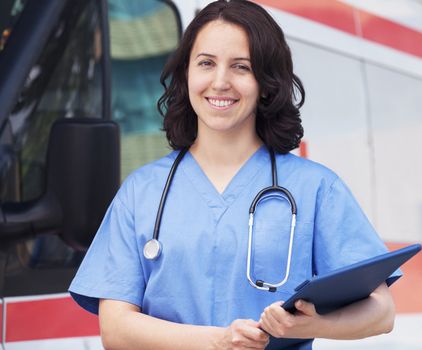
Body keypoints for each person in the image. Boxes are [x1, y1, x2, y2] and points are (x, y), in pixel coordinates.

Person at [69, 1, 398, 349]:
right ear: (186, 73)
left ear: (266, 83)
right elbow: (116, 329)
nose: (220, 81)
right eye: (206, 63)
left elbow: (382, 312)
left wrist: (306, 326)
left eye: (241, 67)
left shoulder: (316, 188)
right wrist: (219, 341)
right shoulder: (141, 192)